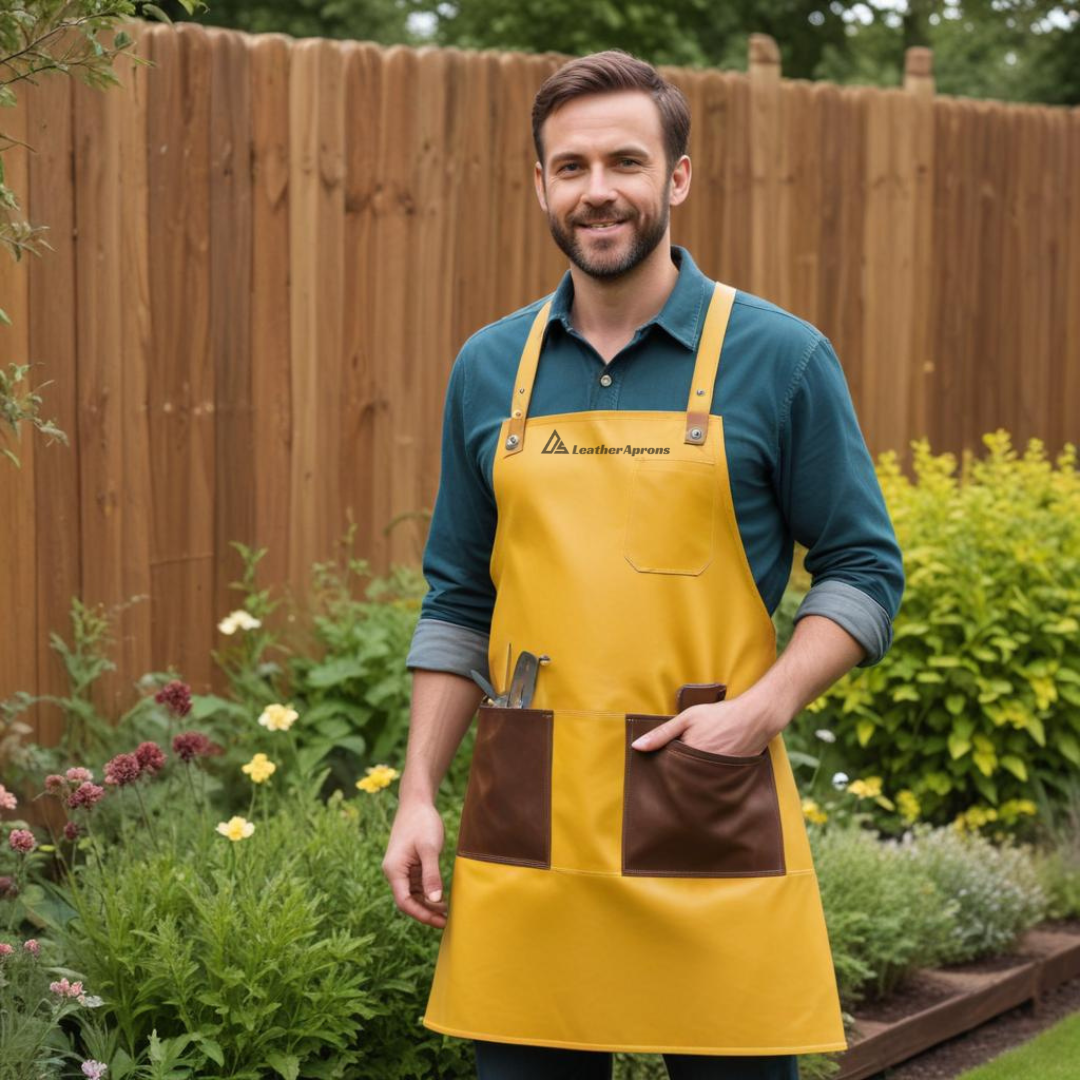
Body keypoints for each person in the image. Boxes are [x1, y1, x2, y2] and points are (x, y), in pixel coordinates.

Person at [383, 49, 904, 1080]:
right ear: (540, 186)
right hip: (531, 818)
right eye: (569, 167)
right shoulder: (489, 369)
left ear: (677, 177)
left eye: (626, 160)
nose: (598, 191)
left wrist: (761, 711)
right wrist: (415, 795)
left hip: (702, 800)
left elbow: (860, 567)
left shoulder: (780, 356)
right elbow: (458, 598)